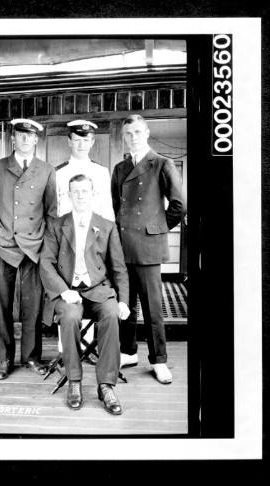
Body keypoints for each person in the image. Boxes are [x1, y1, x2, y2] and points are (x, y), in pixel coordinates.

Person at [39, 174, 130, 415]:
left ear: (93, 194)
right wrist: (64, 291)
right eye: (75, 191)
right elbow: (46, 264)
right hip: (69, 292)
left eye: (85, 191)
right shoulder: (56, 225)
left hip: (99, 290)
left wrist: (123, 301)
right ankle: (75, 381)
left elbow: (119, 267)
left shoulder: (107, 226)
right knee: (69, 318)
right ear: (69, 195)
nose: (80, 195)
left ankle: (106, 385)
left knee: (111, 315)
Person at [0, 118, 57, 380]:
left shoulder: (46, 170)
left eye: (30, 136)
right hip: (3, 244)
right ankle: (4, 360)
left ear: (36, 140)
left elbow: (52, 211)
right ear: (14, 138)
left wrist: (48, 243)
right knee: (1, 304)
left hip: (34, 245)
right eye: (20, 135)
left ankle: (32, 358)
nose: (25, 139)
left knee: (32, 305)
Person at [111, 114, 186, 384]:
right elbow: (116, 207)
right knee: (125, 304)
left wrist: (157, 228)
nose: (133, 137)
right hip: (123, 246)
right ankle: (128, 351)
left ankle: (159, 361)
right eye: (128, 133)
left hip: (148, 247)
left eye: (138, 132)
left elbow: (180, 205)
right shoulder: (120, 168)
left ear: (147, 132)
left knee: (153, 309)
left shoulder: (162, 164)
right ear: (124, 136)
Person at [55, 119, 114, 220]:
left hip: (95, 231)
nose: (81, 145)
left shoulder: (102, 172)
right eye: (77, 140)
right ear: (69, 142)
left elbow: (107, 209)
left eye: (86, 140)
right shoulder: (58, 173)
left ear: (92, 143)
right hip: (66, 231)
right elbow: (54, 209)